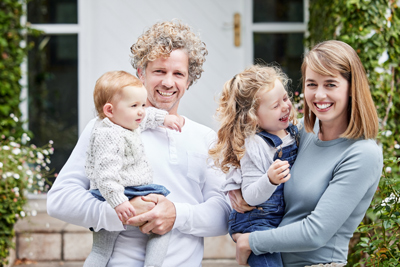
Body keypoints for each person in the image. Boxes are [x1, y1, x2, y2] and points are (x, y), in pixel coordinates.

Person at [47, 20, 231, 267]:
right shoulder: (106, 127)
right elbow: (60, 200)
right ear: (141, 73)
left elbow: (225, 215)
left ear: (189, 81)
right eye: (159, 71)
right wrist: (118, 212)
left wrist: (176, 214)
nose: (168, 82)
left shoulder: (205, 137)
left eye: (178, 74)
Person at [232, 40, 383, 267]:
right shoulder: (301, 133)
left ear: (352, 88)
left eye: (330, 84)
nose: (319, 95)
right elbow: (243, 145)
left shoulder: (362, 153)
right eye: (312, 84)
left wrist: (250, 241)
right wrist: (235, 187)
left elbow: (316, 232)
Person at [84, 70, 182, 267]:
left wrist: (164, 119)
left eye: (143, 104)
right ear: (110, 110)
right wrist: (118, 202)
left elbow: (146, 118)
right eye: (135, 105)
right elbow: (105, 175)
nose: (141, 111)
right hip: (121, 193)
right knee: (160, 224)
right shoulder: (109, 135)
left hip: (121, 192)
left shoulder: (124, 121)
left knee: (102, 249)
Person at [208, 65, 299, 267]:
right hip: (255, 222)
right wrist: (269, 179)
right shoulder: (255, 145)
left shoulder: (292, 132)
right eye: (275, 106)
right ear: (253, 117)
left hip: (276, 221)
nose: (285, 107)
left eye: (285, 98)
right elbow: (249, 196)